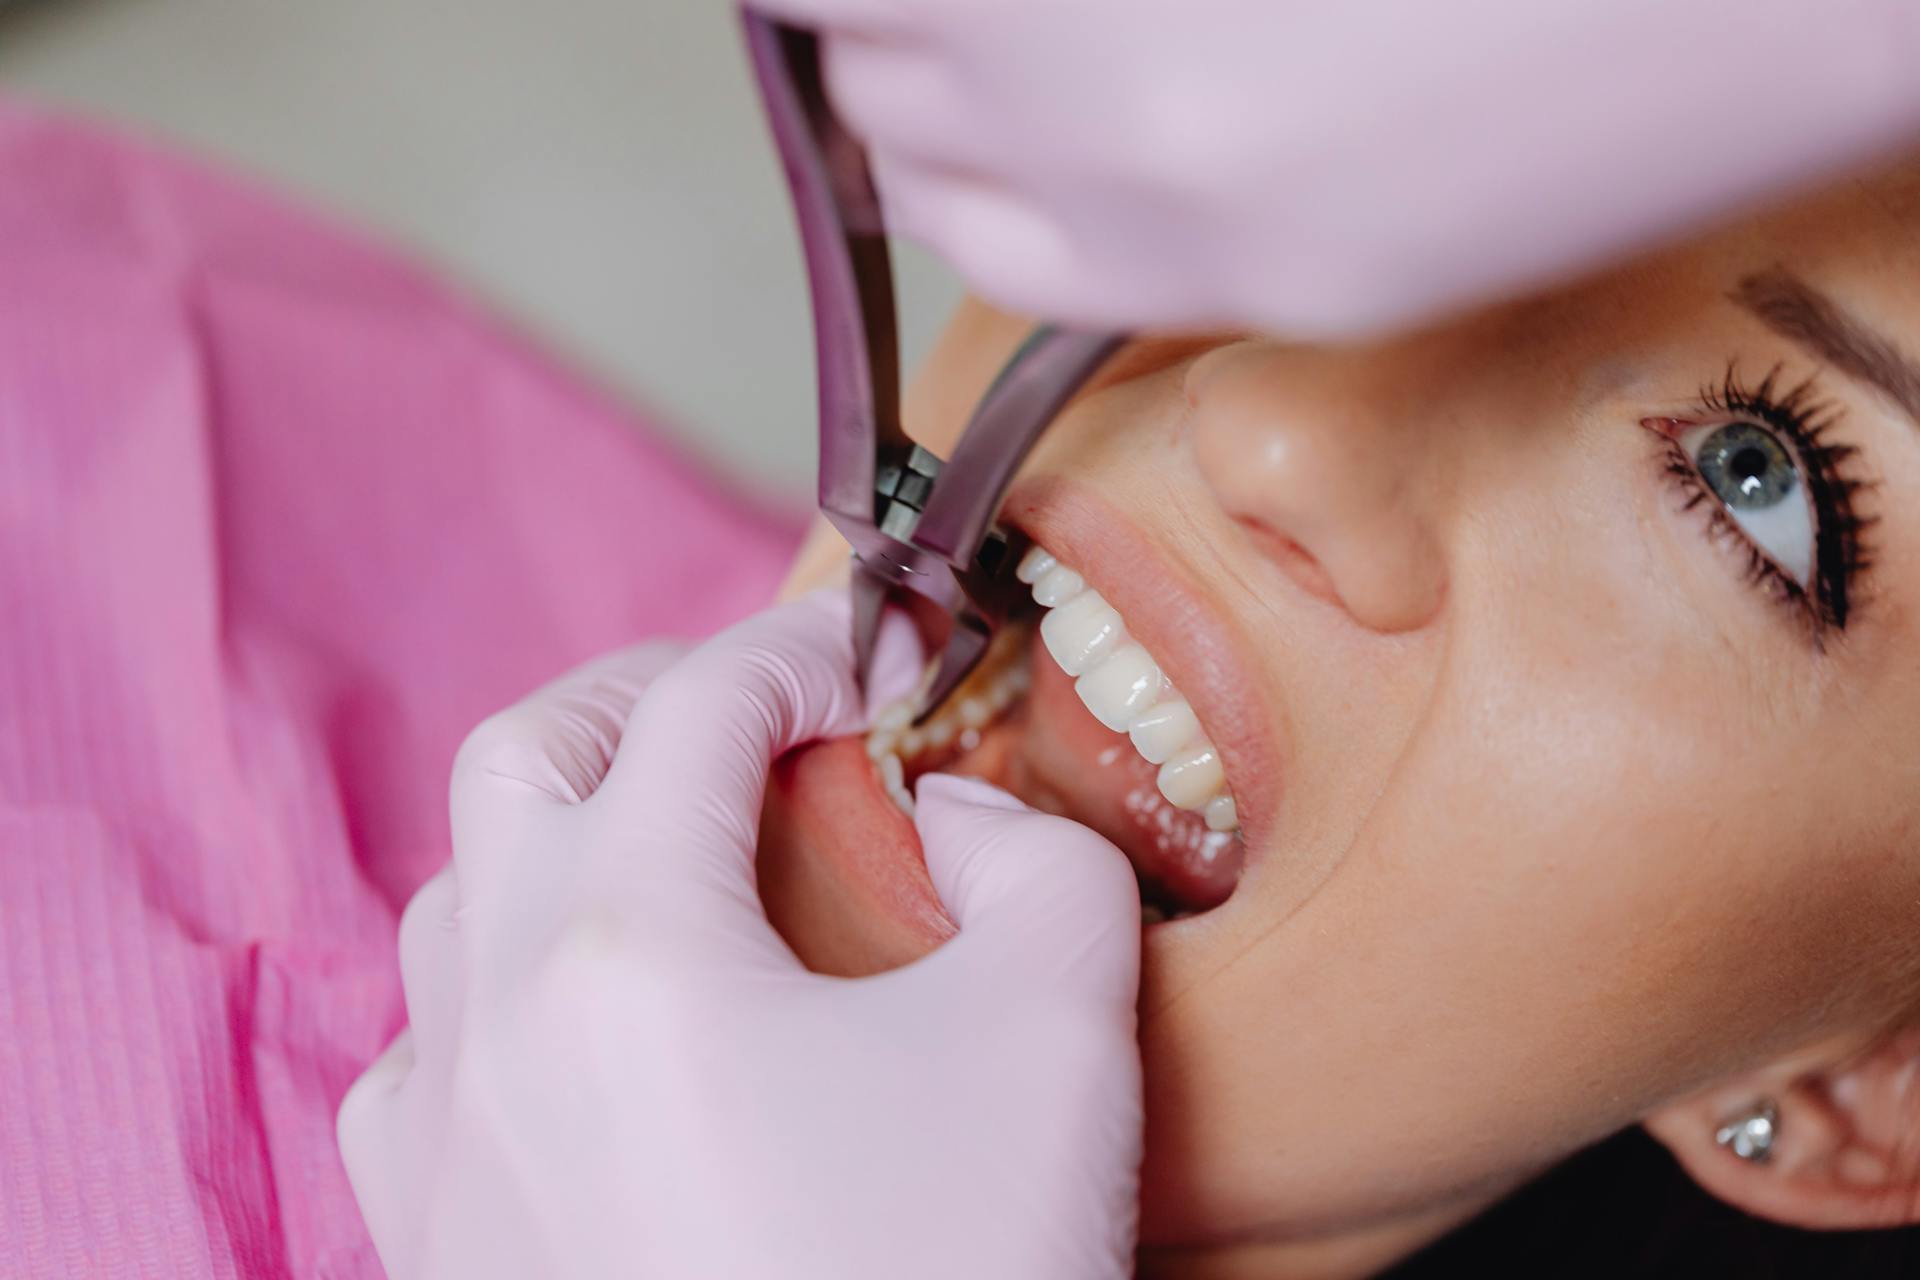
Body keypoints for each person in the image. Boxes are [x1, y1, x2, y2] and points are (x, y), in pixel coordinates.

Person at [340, 8, 1920, 1277]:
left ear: (1870, 1093)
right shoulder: (232, 388)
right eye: (1380, 166)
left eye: (1755, 481)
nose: (1272, 422)